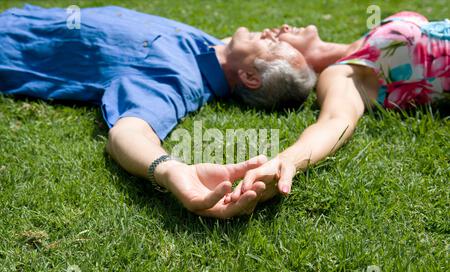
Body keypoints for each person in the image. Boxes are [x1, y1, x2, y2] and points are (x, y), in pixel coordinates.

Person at [0, 5, 317, 218]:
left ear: (249, 77)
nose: (277, 31)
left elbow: (129, 131)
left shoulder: (177, 79)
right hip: (20, 16)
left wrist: (169, 170)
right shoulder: (212, 48)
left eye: (275, 45)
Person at [225, 11, 449, 204]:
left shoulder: (362, 42)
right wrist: (286, 160)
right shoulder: (343, 73)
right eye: (273, 40)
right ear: (289, 64)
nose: (281, 27)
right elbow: (335, 121)